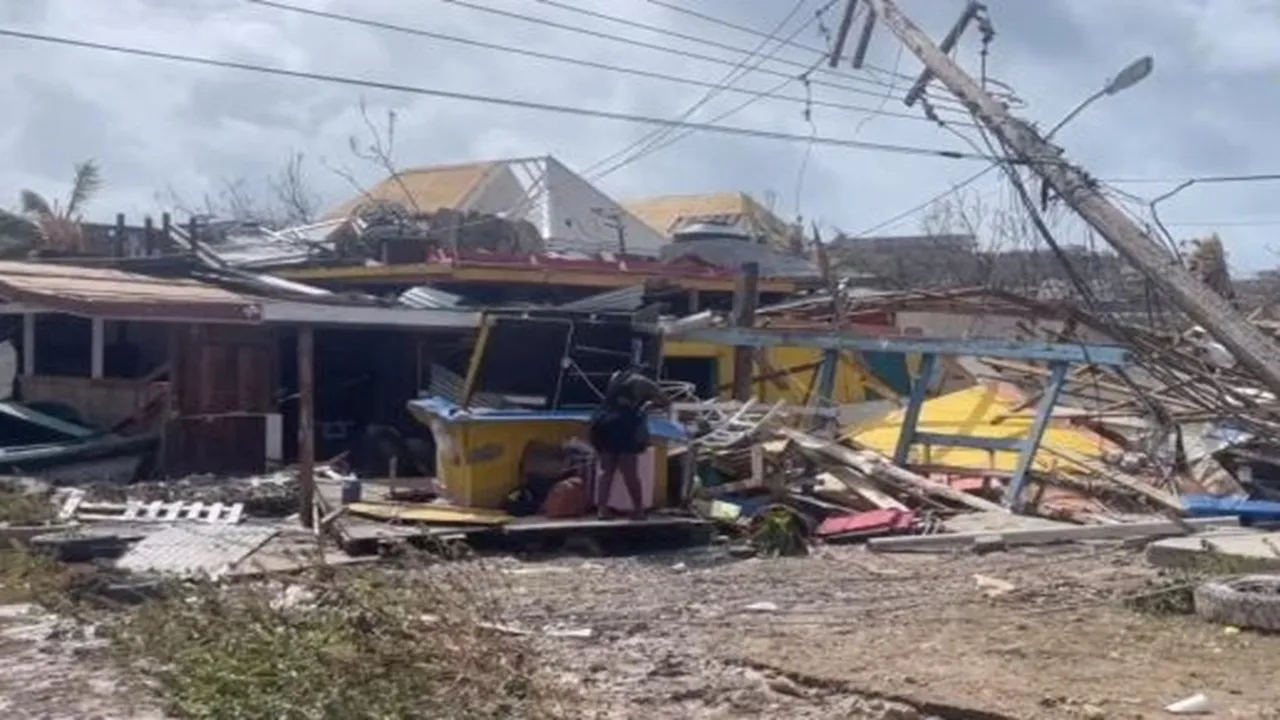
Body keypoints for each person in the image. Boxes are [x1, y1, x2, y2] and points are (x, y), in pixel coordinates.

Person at [587, 366, 669, 520]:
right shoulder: (646, 383)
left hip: (601, 423)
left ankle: (602, 510)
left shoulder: (617, 376)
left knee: (606, 471)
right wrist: (647, 405)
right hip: (623, 425)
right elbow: (665, 402)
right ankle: (638, 510)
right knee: (630, 472)